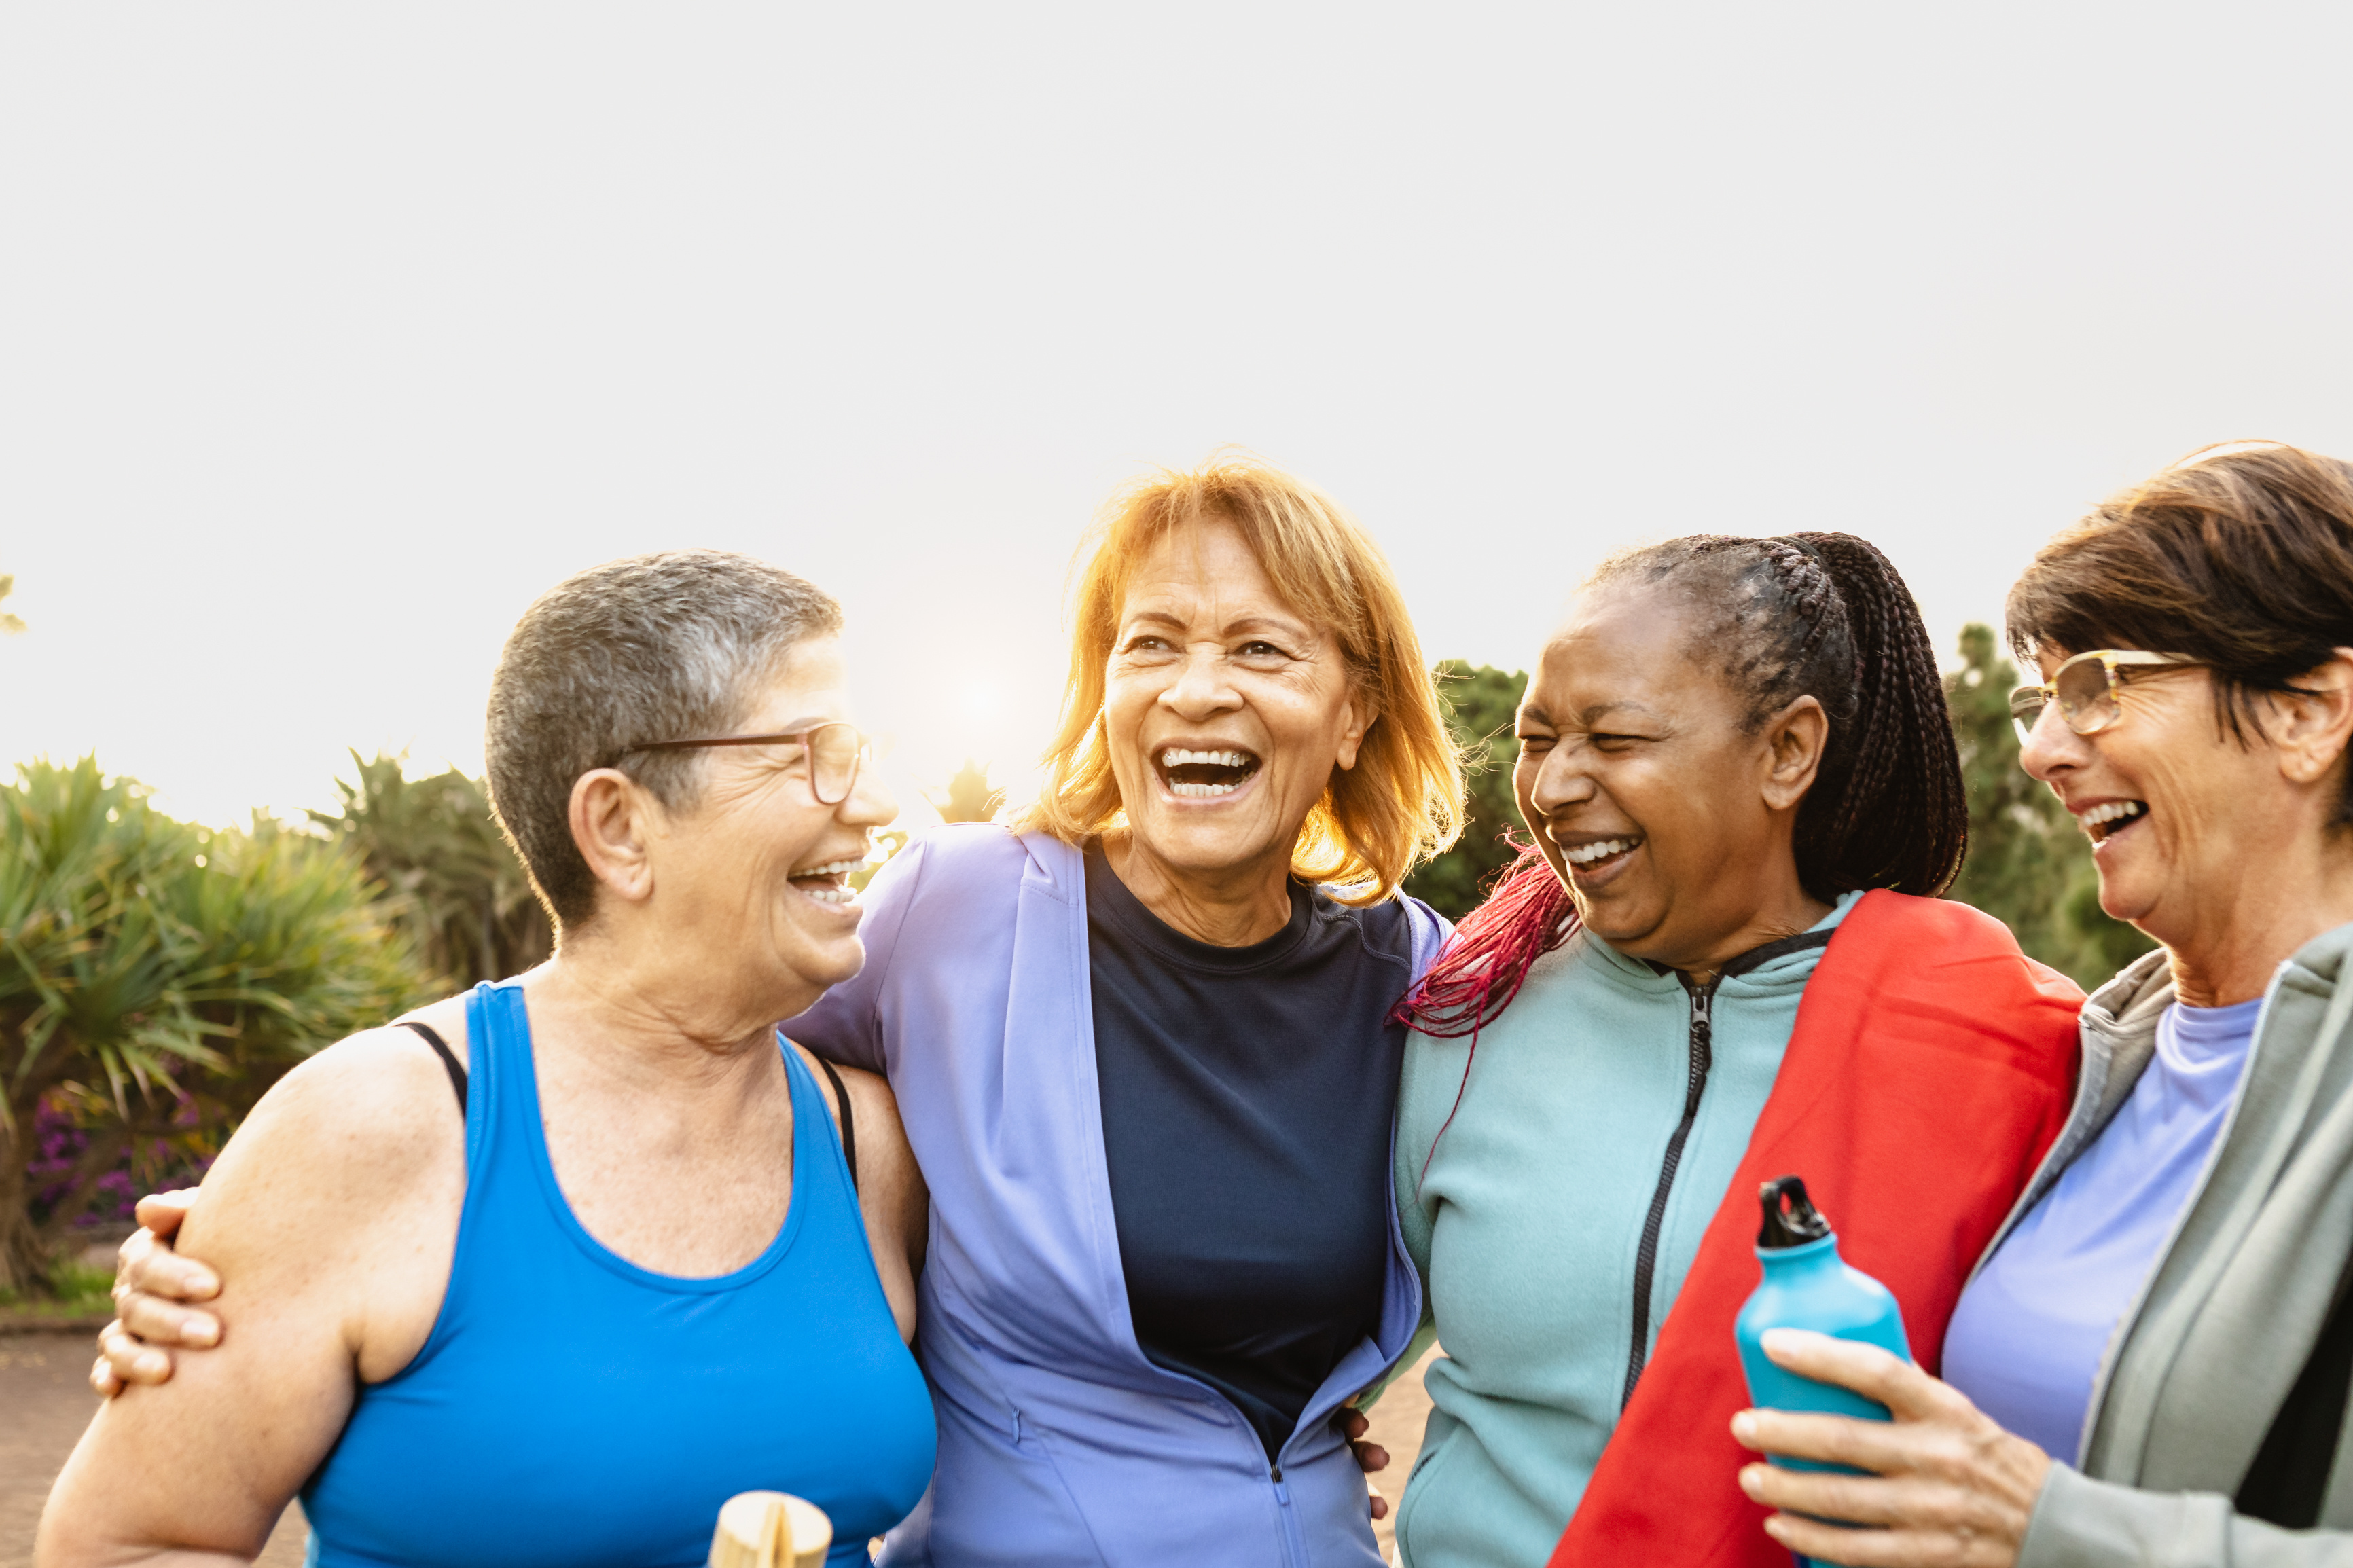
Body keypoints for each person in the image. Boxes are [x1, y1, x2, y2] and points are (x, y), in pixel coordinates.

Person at [92, 457, 1465, 1568]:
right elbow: (626, 1034)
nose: (875, 808)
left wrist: (1277, 1429)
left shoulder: (1418, 982)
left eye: (1263, 647)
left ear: (1353, 712)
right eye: (1150, 642)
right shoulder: (953, 916)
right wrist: (257, 1227)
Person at [39, 551, 935, 1568]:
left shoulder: (874, 1143)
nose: (871, 805)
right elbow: (121, 1545)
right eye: (814, 754)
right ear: (620, 826)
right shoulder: (373, 1124)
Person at [1384, 534, 2085, 1568]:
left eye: (1614, 737)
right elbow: (1326, 1340)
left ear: (1788, 751)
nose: (1557, 783)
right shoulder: (1465, 1017)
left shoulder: (1996, 1038)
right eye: (1540, 738)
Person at [1730, 443, 2353, 1566]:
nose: (2040, 749)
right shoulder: (2098, 1058)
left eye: (2098, 686)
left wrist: (2042, 1529)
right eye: (2038, 697)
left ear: (2310, 710)